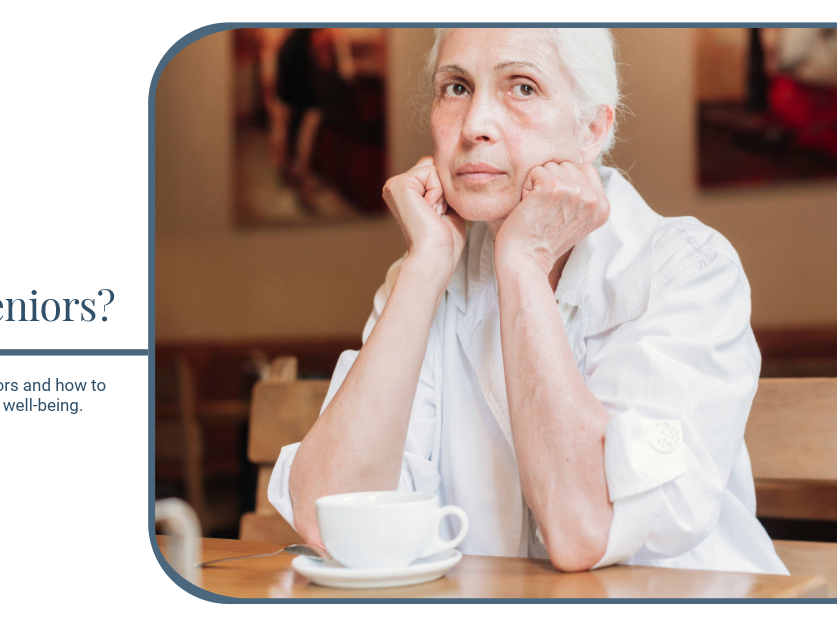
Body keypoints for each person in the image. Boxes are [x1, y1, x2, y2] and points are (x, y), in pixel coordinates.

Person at [268, 28, 788, 574]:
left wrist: (522, 263)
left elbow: (584, 530)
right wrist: (422, 269)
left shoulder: (687, 269)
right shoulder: (425, 273)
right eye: (456, 87)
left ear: (592, 130)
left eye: (521, 87)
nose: (475, 127)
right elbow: (330, 522)